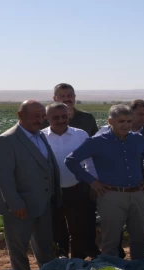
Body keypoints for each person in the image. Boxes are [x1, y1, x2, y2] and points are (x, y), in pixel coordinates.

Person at [65, 105, 144, 260]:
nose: (125, 125)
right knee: (111, 238)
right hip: (111, 196)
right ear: (110, 121)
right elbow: (71, 161)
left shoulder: (137, 139)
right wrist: (92, 182)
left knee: (140, 236)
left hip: (138, 194)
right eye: (121, 121)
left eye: (128, 121)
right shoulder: (97, 141)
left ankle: (140, 269)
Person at [0, 100, 62, 270]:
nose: (39, 120)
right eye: (34, 116)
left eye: (41, 116)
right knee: (18, 249)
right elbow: (4, 176)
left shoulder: (40, 135)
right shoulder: (7, 139)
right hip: (20, 206)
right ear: (20, 115)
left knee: (44, 247)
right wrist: (15, 204)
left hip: (42, 203)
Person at [41, 83, 101, 258]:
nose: (60, 121)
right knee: (56, 228)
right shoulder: (40, 136)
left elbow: (90, 160)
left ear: (69, 116)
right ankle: (60, 259)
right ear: (47, 118)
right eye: (56, 117)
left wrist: (93, 182)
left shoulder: (81, 134)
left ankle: (78, 261)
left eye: (63, 117)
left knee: (79, 228)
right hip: (52, 190)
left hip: (77, 187)